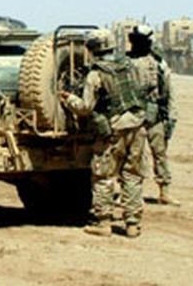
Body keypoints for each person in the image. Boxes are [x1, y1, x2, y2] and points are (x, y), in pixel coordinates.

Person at [61, 29, 147, 238]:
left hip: (113, 130)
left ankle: (103, 222)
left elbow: (85, 108)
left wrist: (68, 98)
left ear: (92, 50)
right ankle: (132, 223)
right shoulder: (130, 66)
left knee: (104, 176)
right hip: (137, 125)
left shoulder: (96, 74)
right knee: (132, 175)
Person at [128, 24, 180, 206]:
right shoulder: (126, 63)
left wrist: (171, 117)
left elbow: (169, 91)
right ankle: (134, 195)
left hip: (154, 115)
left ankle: (164, 191)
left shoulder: (159, 63)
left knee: (160, 153)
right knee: (135, 156)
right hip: (134, 116)